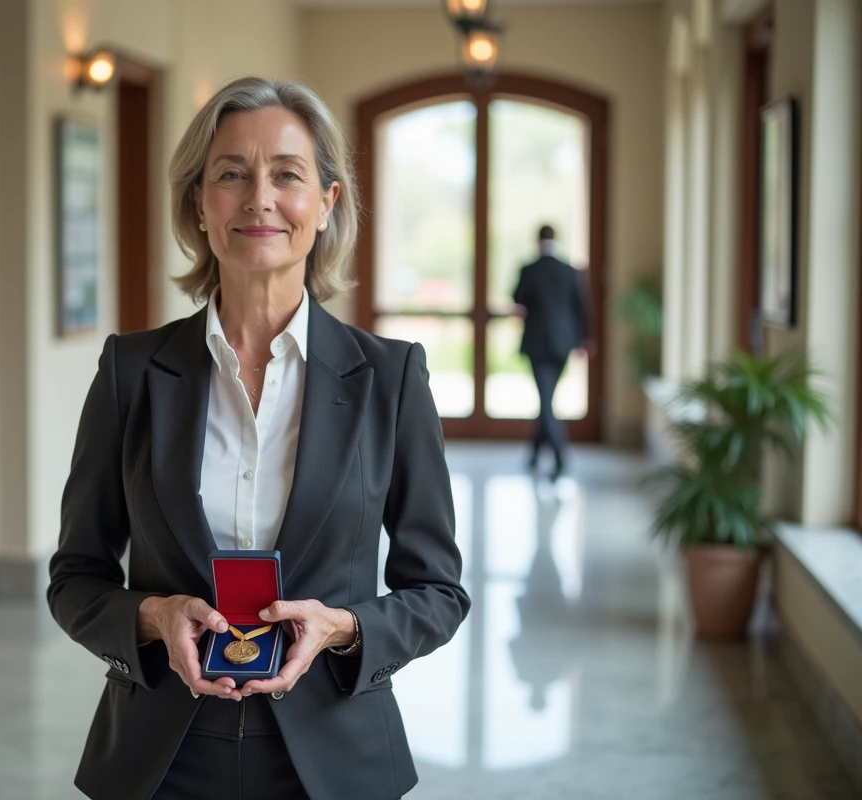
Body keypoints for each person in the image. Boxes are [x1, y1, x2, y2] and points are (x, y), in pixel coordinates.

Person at [46, 77, 470, 800]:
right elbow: (75, 578)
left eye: (287, 175)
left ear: (327, 203)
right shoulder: (130, 370)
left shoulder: (391, 378)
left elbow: (437, 592)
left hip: (335, 759)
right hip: (160, 760)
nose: (259, 198)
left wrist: (341, 628)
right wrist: (152, 615)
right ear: (199, 205)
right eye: (231, 175)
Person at [512, 225, 593, 481]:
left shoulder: (529, 269)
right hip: (562, 343)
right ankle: (535, 454)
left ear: (537, 240)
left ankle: (559, 457)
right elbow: (582, 306)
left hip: (537, 341)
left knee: (545, 399)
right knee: (546, 398)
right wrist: (586, 339)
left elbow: (518, 297)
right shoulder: (569, 270)